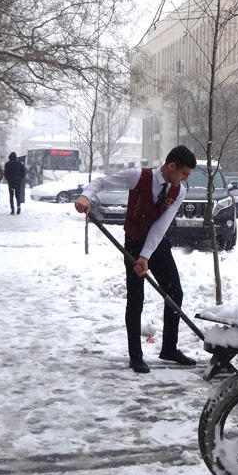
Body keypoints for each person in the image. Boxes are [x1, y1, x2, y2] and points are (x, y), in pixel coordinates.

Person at [74, 145, 197, 373]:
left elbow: (161, 226)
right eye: (184, 173)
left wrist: (145, 257)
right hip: (133, 241)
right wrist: (85, 196)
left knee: (175, 293)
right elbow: (100, 182)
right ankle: (136, 355)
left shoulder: (178, 191)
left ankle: (169, 348)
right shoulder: (138, 176)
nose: (184, 179)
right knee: (136, 298)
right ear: (171, 166)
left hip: (157, 244)